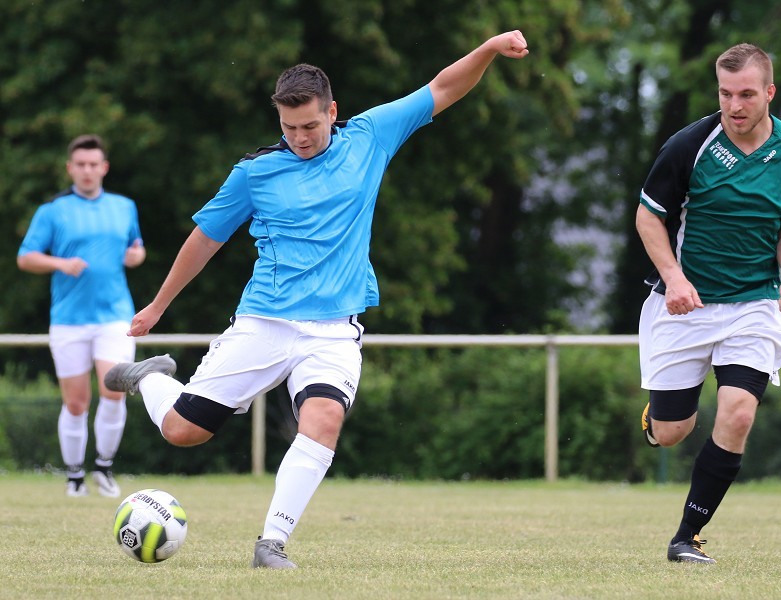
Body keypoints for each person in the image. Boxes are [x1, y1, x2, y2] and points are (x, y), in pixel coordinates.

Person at [104, 30, 529, 569]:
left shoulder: (371, 136)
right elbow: (205, 239)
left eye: (309, 125)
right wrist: (159, 305)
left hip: (333, 329)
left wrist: (489, 48)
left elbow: (443, 87)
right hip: (265, 322)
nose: (300, 137)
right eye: (288, 127)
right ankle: (151, 377)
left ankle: (271, 545)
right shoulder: (255, 173)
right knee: (182, 432)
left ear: (333, 111)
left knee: (323, 419)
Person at [635, 43, 781, 564]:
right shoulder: (689, 145)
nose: (734, 106)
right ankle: (658, 416)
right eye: (725, 93)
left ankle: (686, 536)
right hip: (684, 306)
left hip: (753, 306)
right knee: (672, 433)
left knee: (738, 413)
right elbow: (649, 218)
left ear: (769, 93)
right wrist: (673, 279)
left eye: (746, 94)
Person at [18, 134, 147, 498]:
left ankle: (104, 469)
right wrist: (60, 262)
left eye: (94, 164)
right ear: (70, 168)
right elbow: (25, 256)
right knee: (76, 402)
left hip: (115, 316)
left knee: (115, 390)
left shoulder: (124, 206)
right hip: (69, 320)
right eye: (81, 165)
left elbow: (136, 249)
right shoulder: (52, 212)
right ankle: (74, 476)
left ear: (103, 168)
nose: (88, 171)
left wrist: (137, 257)